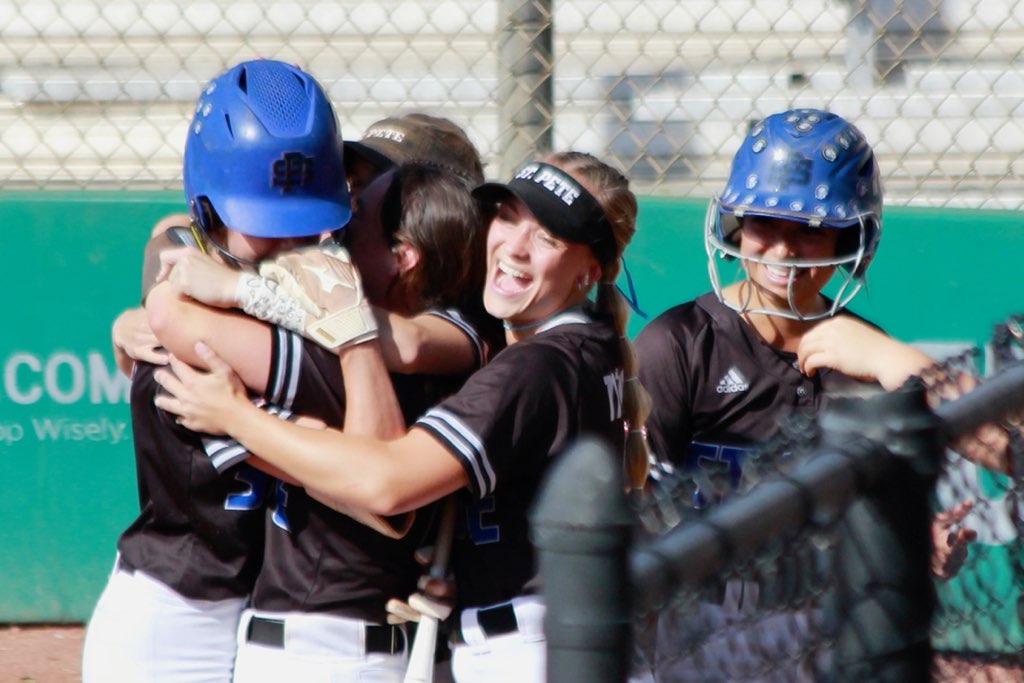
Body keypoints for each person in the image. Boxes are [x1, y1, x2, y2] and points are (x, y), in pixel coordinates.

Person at [151, 151, 650, 683]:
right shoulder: (579, 345)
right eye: (507, 217)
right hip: (540, 637)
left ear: (588, 271)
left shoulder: (540, 363)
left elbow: (386, 485)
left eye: (547, 238)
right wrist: (467, 578)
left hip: (533, 653)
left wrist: (235, 415)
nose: (515, 247)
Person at [144, 162, 497, 682]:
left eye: (358, 216)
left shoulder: (350, 358)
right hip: (355, 641)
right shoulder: (473, 349)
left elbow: (373, 484)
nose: (335, 229)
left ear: (404, 256)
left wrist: (239, 408)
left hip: (320, 647)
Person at [632, 108, 939, 681]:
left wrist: (920, 541)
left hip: (831, 612)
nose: (782, 250)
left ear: (851, 236)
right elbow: (638, 510)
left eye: (810, 228)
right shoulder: (679, 344)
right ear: (735, 224)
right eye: (765, 223)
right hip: (702, 619)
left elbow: (980, 428)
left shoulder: (866, 353)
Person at [81, 58, 351, 682]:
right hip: (174, 616)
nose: (287, 247)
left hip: (265, 618)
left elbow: (171, 235)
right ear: (209, 206)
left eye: (302, 227)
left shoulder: (313, 288)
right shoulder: (186, 320)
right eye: (265, 226)